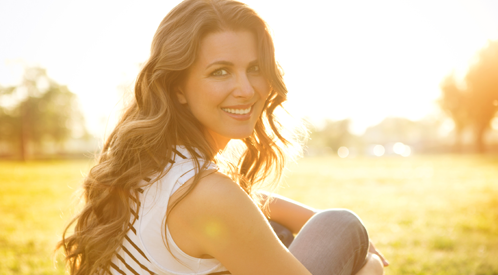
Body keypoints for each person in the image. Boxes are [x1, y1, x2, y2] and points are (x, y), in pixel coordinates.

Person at [57, 0, 388, 274]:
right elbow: (224, 205)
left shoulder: (153, 163)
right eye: (221, 71)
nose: (246, 90)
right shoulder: (209, 195)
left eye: (255, 68)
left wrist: (297, 215)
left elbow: (243, 205)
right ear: (178, 88)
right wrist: (369, 266)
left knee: (282, 232)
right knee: (340, 226)